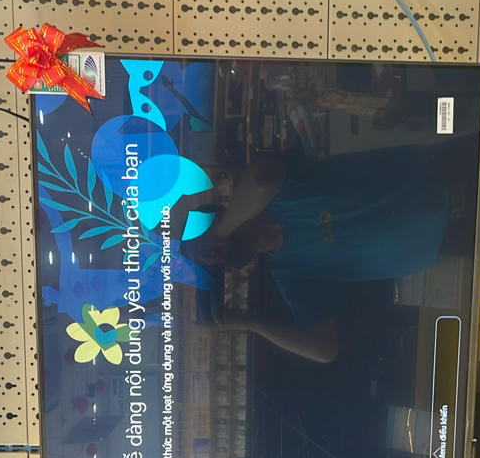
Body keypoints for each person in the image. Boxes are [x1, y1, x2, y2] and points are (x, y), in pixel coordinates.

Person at [182, 144, 458, 363]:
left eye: (205, 252)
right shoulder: (291, 275)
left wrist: (222, 231)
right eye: (207, 267)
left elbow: (262, 179)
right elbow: (324, 349)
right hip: (453, 241)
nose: (217, 263)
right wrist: (247, 322)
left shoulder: (282, 191)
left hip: (447, 170)